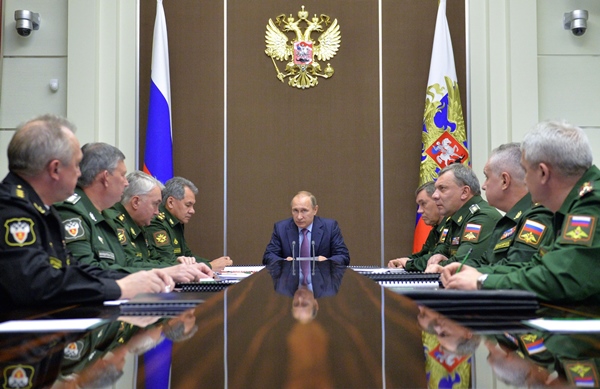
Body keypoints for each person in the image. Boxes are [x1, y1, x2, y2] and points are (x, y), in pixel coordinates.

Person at [0, 114, 174, 310]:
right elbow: (35, 284)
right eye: (76, 164)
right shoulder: (13, 210)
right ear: (55, 169)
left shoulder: (41, 209)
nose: (80, 173)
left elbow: (71, 269)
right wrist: (117, 288)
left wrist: (133, 279)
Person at [441, 120, 600, 303]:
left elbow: (561, 278)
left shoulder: (592, 202)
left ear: (542, 173)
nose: (523, 180)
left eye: (525, 171)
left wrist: (483, 281)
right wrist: (476, 273)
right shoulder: (572, 205)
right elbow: (536, 267)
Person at [56, 146, 211, 281]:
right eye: (122, 175)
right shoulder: (72, 212)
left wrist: (170, 270)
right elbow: (85, 273)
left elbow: (125, 263)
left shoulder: (106, 215)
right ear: (106, 178)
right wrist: (164, 272)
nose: (126, 183)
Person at [427, 143, 554, 272]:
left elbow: (517, 269)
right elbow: (486, 262)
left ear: (505, 181)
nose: (483, 186)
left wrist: (473, 276)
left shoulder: (536, 216)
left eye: (487, 177)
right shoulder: (508, 221)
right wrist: (452, 269)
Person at [408, 164, 501, 272]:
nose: (435, 195)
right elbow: (441, 253)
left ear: (464, 192)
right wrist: (440, 259)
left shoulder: (481, 218)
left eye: (442, 188)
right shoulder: (456, 219)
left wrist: (441, 264)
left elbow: (463, 264)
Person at [263, 191, 350, 289]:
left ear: (315, 210)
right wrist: (283, 262)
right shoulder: (281, 228)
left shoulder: (330, 227)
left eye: (304, 210)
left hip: (321, 286)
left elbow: (343, 256)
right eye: (295, 210)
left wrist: (328, 262)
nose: (299, 216)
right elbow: (268, 256)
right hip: (291, 286)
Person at [145, 176, 232, 271]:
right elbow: (168, 261)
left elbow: (187, 256)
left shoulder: (177, 222)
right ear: (170, 202)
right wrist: (210, 266)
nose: (192, 211)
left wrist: (214, 263)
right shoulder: (156, 222)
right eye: (188, 205)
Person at [388, 181, 447, 269]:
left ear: (438, 201)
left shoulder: (450, 227)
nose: (419, 211)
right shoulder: (436, 229)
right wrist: (402, 261)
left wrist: (408, 263)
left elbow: (435, 259)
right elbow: (423, 254)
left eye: (423, 204)